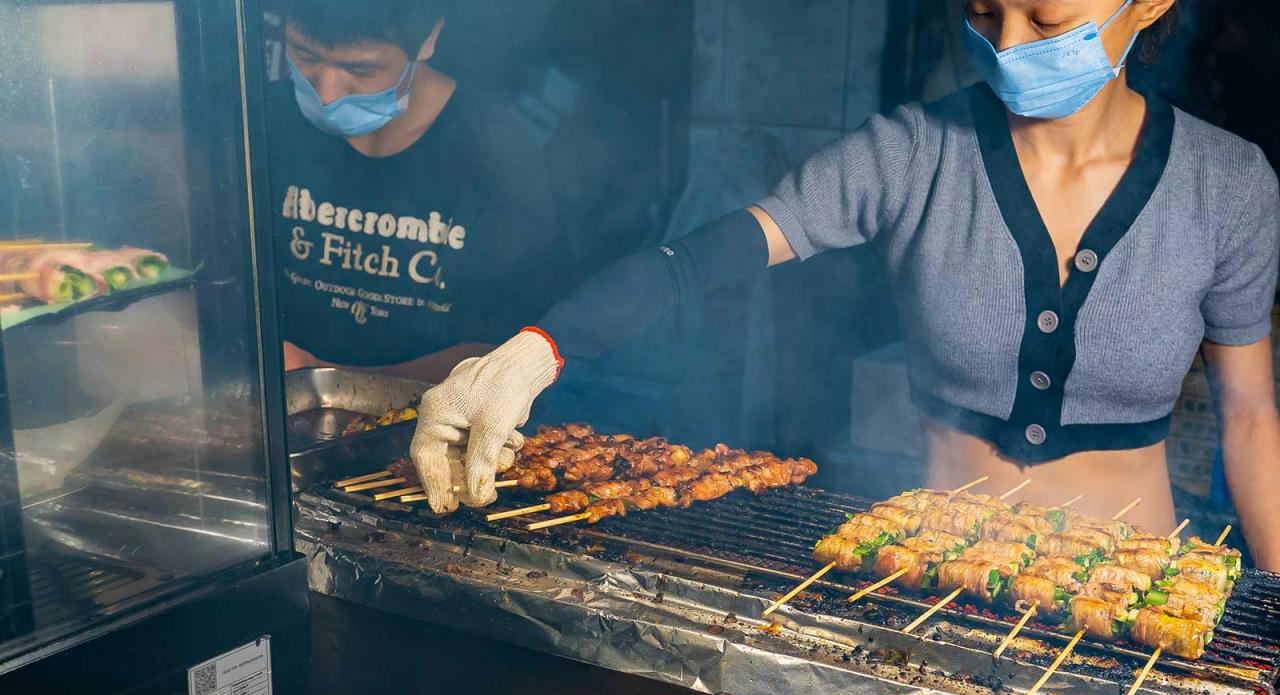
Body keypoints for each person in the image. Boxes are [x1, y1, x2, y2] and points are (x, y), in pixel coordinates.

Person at [409, 0, 1280, 571]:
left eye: (1046, 20)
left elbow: (1248, 418)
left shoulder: (1229, 186)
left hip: (1133, 586)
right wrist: (536, 349)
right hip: (932, 575)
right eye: (984, 12)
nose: (1008, 46)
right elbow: (704, 258)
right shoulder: (907, 155)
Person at [266, 0, 558, 386]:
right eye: (305, 55)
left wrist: (330, 381)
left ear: (428, 39)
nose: (328, 94)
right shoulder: (263, 118)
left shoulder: (497, 148)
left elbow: (511, 346)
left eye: (361, 68)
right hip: (279, 405)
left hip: (436, 414)